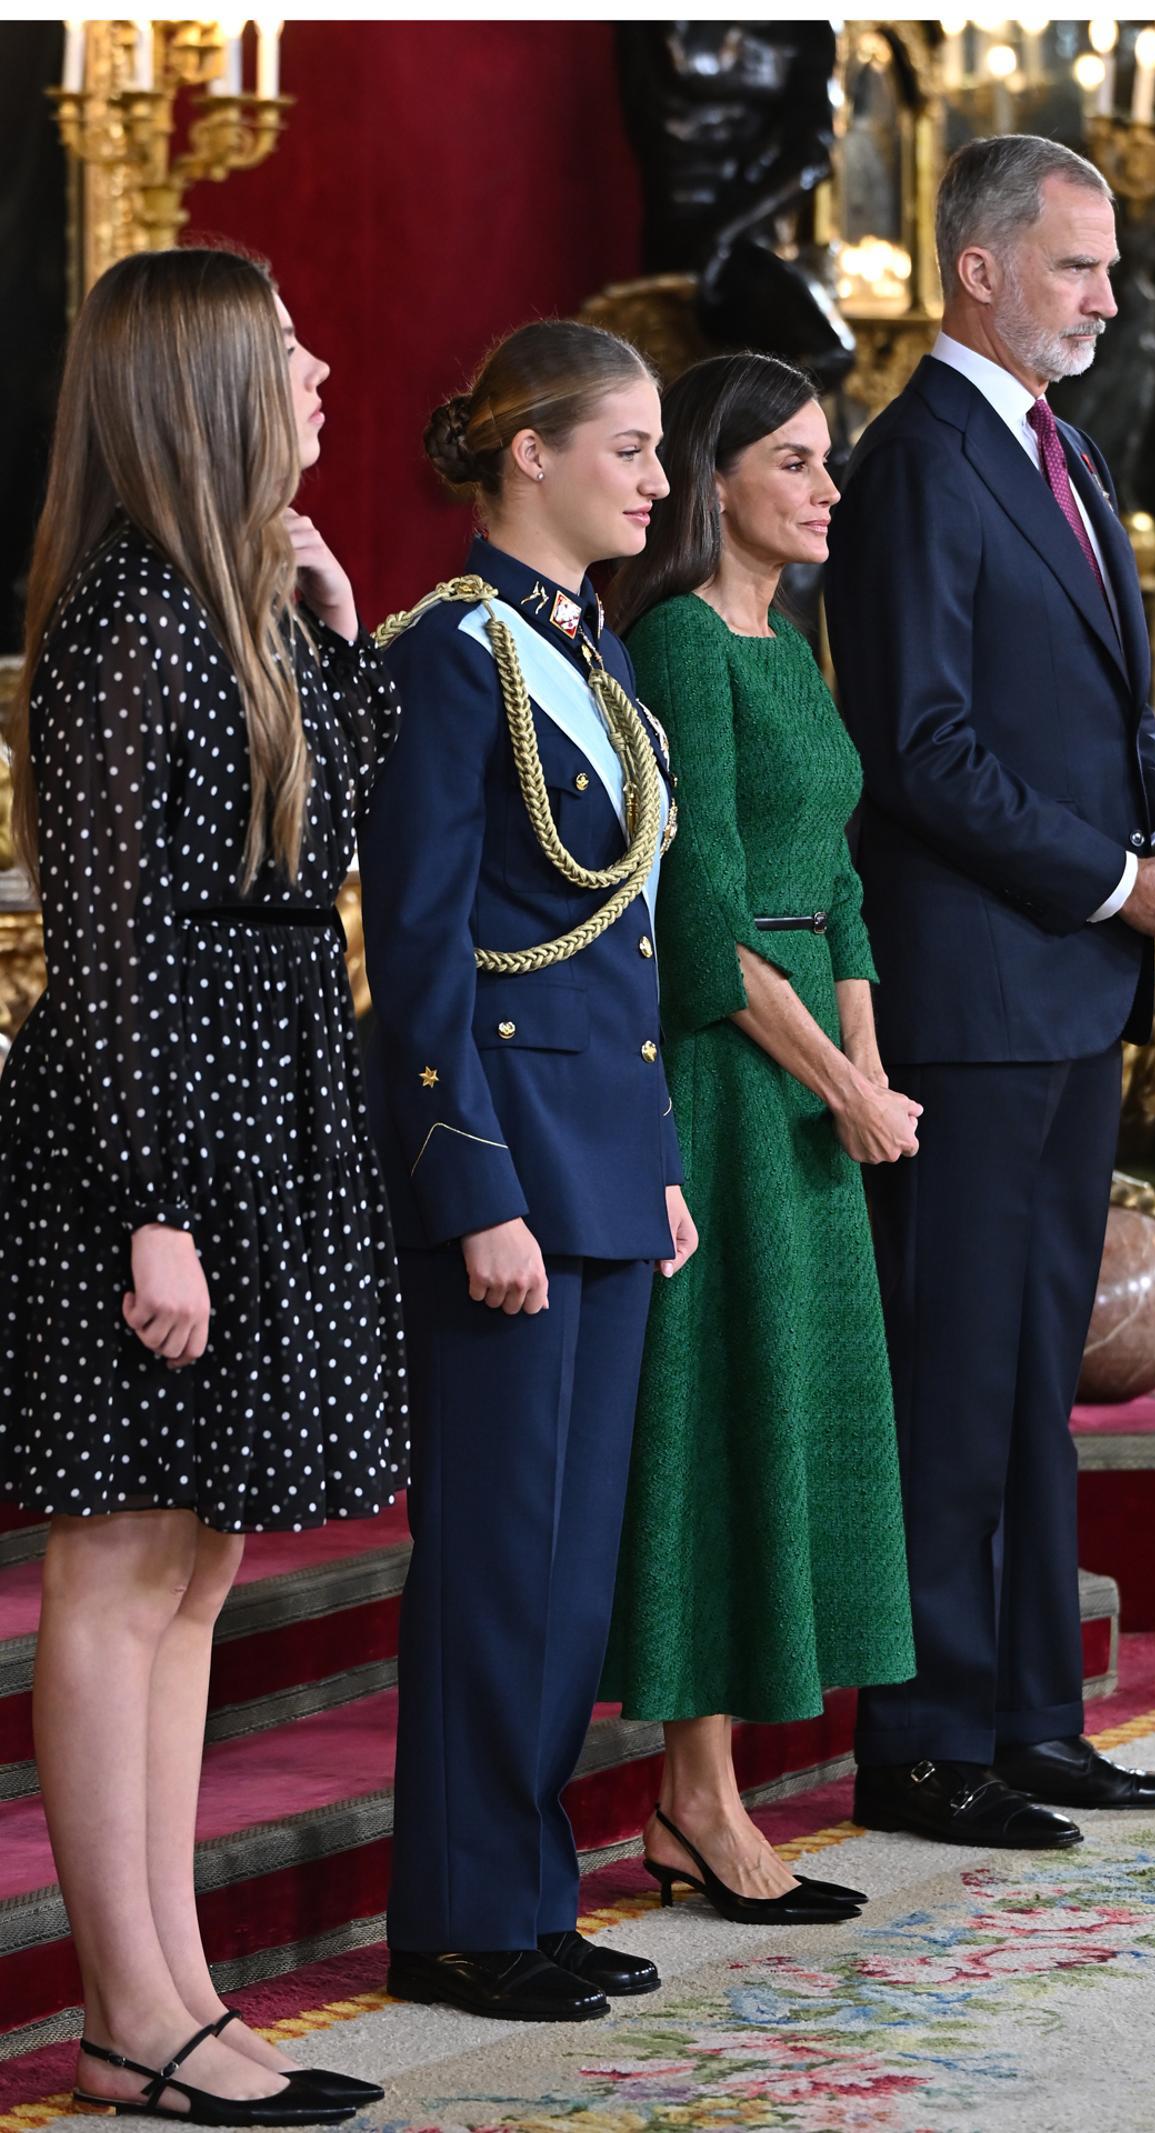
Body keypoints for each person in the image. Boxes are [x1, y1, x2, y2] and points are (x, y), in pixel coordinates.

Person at [0, 248, 404, 2121]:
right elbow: (109, 937)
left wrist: (334, 622)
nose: (320, 368)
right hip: (148, 1135)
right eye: (290, 347)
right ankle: (125, 2006)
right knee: (119, 1565)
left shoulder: (229, 602)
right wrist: (153, 1198)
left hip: (270, 1107)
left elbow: (343, 833)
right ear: (208, 387)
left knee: (200, 1569)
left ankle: (175, 1987)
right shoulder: (120, 624)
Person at [824, 134, 1155, 1846]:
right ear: (978, 269)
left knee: (1035, 1367)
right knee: (960, 1369)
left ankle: (1034, 1715)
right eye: (1079, 267)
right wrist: (1119, 878)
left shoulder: (1056, 448)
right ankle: (922, 1740)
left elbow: (1113, 710)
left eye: (1109, 270)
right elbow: (920, 748)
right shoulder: (914, 465)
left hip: (1070, 987)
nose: (1111, 299)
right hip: (974, 996)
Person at [361, 320, 698, 2024]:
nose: (657, 477)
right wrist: (470, 1181)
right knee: (497, 1551)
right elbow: (416, 960)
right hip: (506, 1162)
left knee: (570, 1562)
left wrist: (653, 1164)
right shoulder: (445, 658)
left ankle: (528, 1887)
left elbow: (616, 943)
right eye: (629, 447)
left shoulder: (603, 662)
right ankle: (462, 1911)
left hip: (604, 1159)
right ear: (529, 455)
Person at [600, 352, 917, 1922]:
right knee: (726, 1406)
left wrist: (865, 1062)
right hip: (729, 1085)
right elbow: (710, 927)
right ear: (715, 480)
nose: (824, 487)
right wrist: (837, 1083)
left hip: (811, 1090)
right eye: (793, 461)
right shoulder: (675, 640)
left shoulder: (791, 644)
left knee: (793, 1409)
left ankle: (706, 1792)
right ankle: (695, 1798)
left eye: (825, 461)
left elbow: (839, 884)